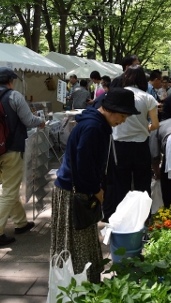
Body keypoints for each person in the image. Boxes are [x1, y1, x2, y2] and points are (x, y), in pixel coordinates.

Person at [51, 88, 139, 283]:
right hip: (74, 191)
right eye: (122, 115)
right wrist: (95, 191)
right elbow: (84, 165)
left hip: (73, 188)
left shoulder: (96, 123)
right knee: (76, 243)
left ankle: (80, 282)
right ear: (109, 109)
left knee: (79, 242)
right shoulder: (94, 127)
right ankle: (77, 284)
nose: (123, 121)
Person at [0, 67, 45, 245]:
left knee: (8, 186)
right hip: (12, 150)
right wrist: (42, 122)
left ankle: (21, 222)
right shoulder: (14, 96)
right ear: (10, 80)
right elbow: (29, 120)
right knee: (9, 189)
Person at [107, 65, 159, 218]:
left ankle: (121, 218)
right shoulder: (147, 97)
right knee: (143, 184)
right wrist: (146, 128)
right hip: (141, 146)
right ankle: (144, 218)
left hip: (119, 146)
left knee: (120, 184)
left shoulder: (118, 95)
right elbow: (156, 124)